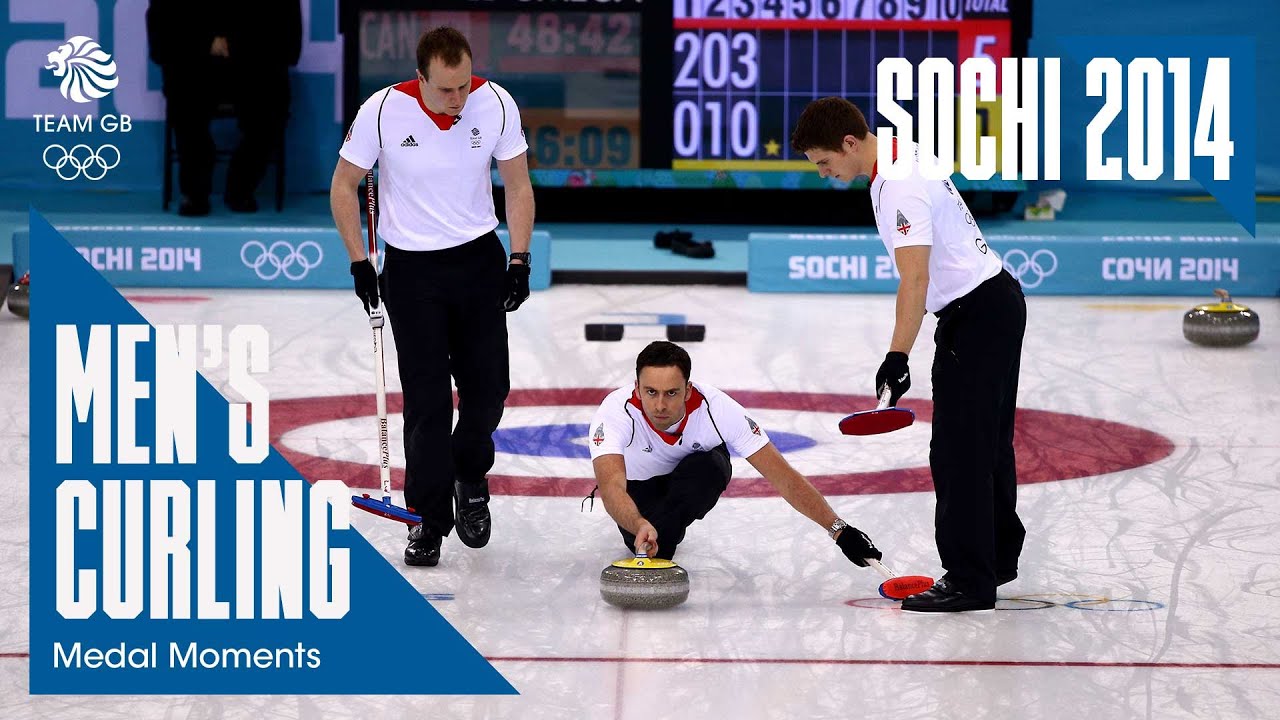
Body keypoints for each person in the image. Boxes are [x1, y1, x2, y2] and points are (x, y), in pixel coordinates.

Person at [791, 97, 1027, 613]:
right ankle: (996, 557)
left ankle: (969, 578)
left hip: (978, 314)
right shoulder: (898, 150)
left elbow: (915, 278)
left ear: (850, 143)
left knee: (957, 452)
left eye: (825, 162)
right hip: (994, 302)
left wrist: (897, 356)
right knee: (987, 443)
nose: (826, 174)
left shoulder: (896, 183)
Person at [330, 26, 535, 568]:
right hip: (413, 273)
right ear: (420, 78)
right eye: (446, 90)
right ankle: (428, 521)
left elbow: (517, 183)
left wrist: (519, 258)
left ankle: (470, 472)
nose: (458, 99)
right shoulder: (381, 111)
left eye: (464, 86)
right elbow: (344, 184)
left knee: (489, 393)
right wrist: (359, 261)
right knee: (426, 405)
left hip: (477, 262)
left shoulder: (493, 103)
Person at [588, 341, 882, 570]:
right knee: (653, 542)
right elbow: (612, 486)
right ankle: (657, 531)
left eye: (672, 393)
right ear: (637, 388)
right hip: (639, 489)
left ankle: (664, 530)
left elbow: (782, 476)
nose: (660, 405)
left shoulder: (718, 409)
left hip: (692, 477)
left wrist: (839, 530)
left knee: (710, 467)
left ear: (688, 390)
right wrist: (638, 524)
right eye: (651, 392)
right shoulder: (615, 412)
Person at [146, 0, 301, 216]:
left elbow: (286, 26)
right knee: (185, 103)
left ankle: (240, 187)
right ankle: (194, 192)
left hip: (253, 61)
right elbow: (162, 23)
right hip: (193, 60)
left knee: (271, 109)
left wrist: (236, 45)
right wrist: (205, 43)